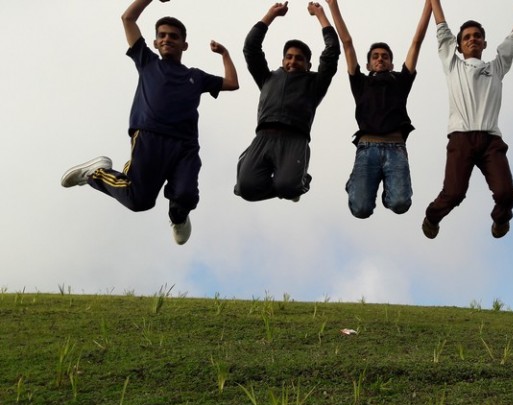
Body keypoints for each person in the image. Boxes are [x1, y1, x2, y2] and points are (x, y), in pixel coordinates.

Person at [60, 0, 239, 245]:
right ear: (155, 43)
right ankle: (96, 173)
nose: (167, 39)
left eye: (174, 36)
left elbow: (232, 83)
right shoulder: (148, 61)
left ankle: (178, 217)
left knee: (186, 194)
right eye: (162, 35)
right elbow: (128, 19)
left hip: (185, 145)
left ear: (184, 44)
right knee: (139, 201)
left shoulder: (195, 76)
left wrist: (225, 55)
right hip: (150, 137)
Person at [421, 0, 513, 239]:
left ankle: (500, 220)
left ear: (484, 43)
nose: (473, 39)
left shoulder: (496, 67)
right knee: (454, 193)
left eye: (477, 36)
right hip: (461, 138)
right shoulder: (453, 65)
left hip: (491, 140)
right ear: (459, 46)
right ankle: (432, 216)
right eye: (467, 37)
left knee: (506, 193)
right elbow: (442, 29)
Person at [325, 0, 432, 219]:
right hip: (367, 148)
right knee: (360, 210)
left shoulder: (400, 81)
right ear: (368, 65)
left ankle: (386, 187)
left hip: (396, 148)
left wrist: (430, 4)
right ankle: (356, 183)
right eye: (375, 56)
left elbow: (417, 41)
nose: (380, 59)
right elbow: (347, 43)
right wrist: (333, 6)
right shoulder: (360, 82)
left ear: (391, 63)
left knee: (400, 204)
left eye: (385, 56)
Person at [234, 1, 340, 203]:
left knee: (288, 186)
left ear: (308, 65)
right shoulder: (267, 78)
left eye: (299, 59)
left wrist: (320, 15)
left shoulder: (315, 83)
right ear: (283, 61)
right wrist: (270, 15)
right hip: (264, 135)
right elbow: (251, 48)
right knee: (245, 188)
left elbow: (332, 51)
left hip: (295, 138)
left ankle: (298, 182)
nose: (292, 61)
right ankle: (279, 179)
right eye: (288, 57)